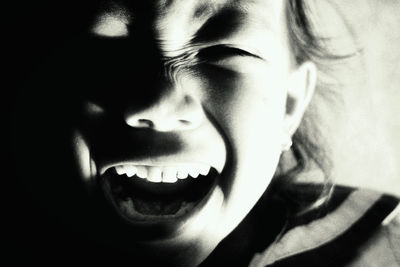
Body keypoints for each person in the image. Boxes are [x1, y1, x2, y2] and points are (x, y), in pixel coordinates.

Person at [10, 0, 399, 266]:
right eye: (102, 51)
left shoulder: (378, 246)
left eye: (223, 51)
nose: (158, 105)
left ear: (289, 105)